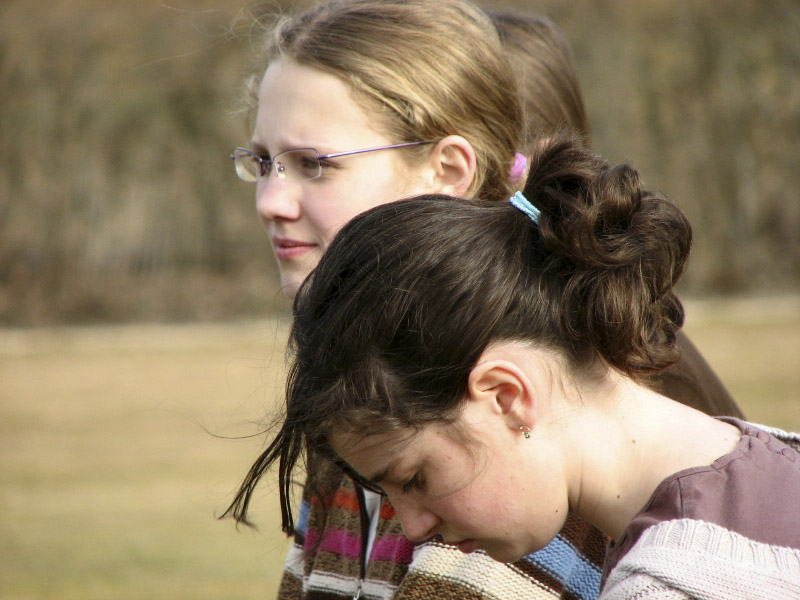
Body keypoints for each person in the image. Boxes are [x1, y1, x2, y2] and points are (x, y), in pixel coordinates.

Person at [224, 1, 744, 597]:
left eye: (313, 164)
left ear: (448, 171)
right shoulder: (361, 384)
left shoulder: (521, 421)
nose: (270, 202)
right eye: (262, 162)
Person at [252, 136, 800, 599]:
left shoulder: (669, 587)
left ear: (506, 395)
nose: (412, 528)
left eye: (414, 479)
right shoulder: (777, 468)